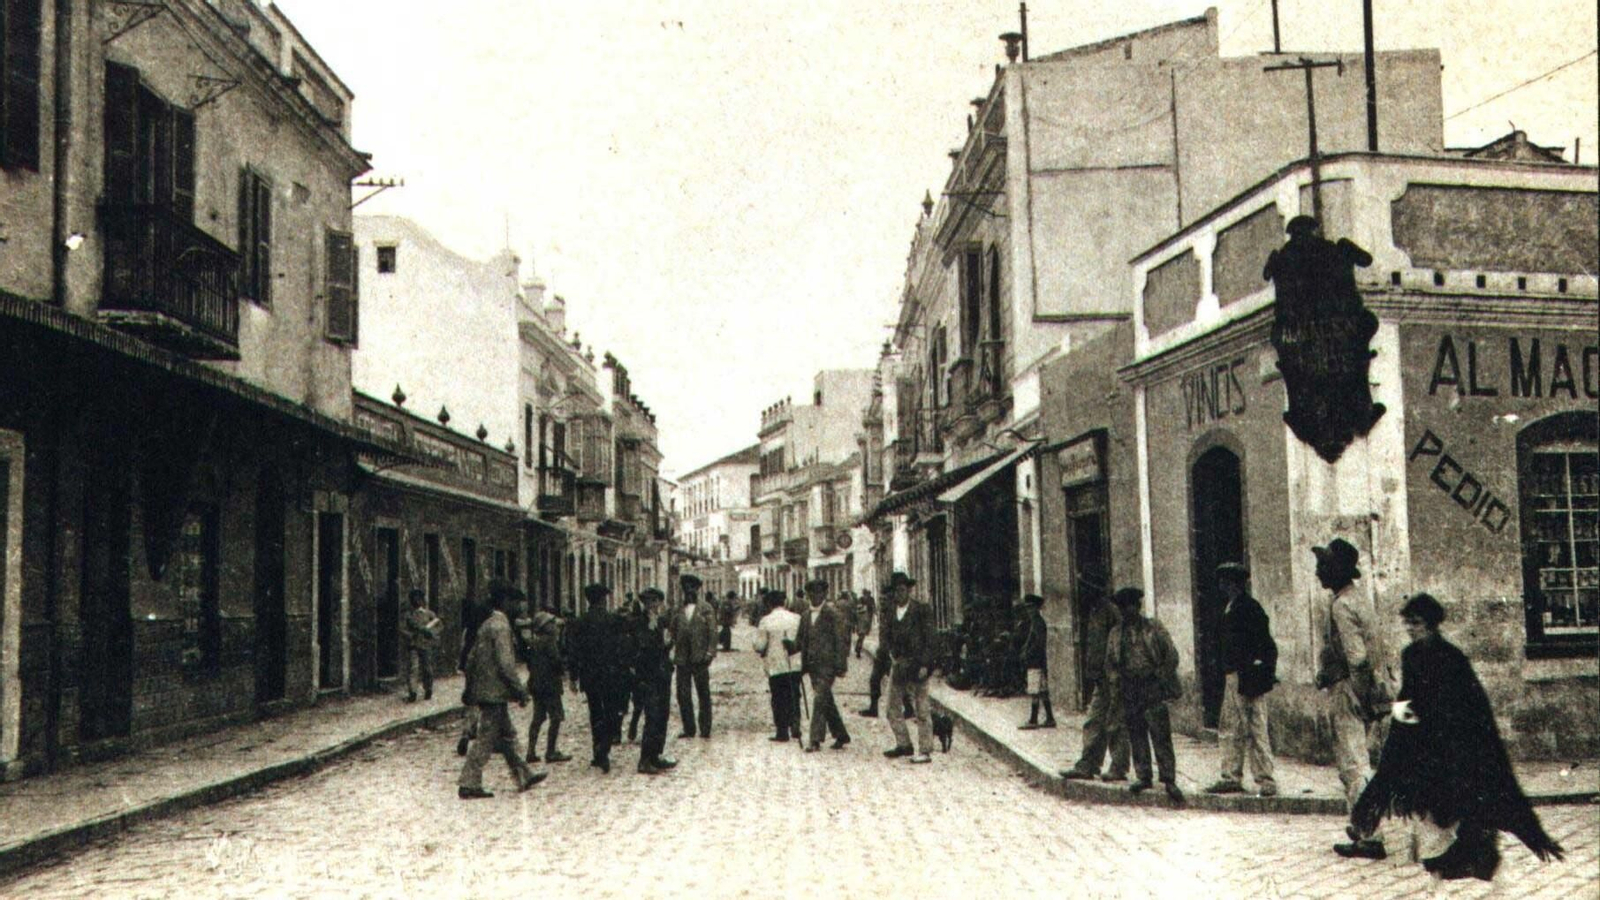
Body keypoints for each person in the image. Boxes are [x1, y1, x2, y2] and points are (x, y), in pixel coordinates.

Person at [1352, 594, 1564, 883]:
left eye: (1416, 623)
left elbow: (1470, 708)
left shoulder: (1451, 658)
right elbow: (1409, 698)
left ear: (1431, 625)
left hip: (1455, 750)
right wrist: (1400, 725)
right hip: (1427, 750)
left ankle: (1480, 868)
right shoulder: (1411, 655)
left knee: (1453, 816)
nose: (1411, 629)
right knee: (1430, 816)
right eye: (1408, 623)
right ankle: (1443, 874)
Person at [1314, 538, 1391, 860]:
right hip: (1366, 686)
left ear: (1336, 571)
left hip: (1350, 688)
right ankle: (1362, 826)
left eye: (1323, 565)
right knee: (1359, 759)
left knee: (1353, 764)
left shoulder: (1341, 606)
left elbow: (1356, 658)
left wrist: (1355, 693)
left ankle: (1370, 835)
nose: (1318, 571)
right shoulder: (1359, 598)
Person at [457, 584, 546, 799]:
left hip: (488, 690)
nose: (520, 607)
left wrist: (471, 687)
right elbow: (506, 664)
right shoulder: (501, 626)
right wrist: (520, 690)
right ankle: (468, 783)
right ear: (505, 601)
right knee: (486, 738)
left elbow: (470, 660)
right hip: (494, 692)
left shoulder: (488, 623)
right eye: (516, 603)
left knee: (507, 737)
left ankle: (524, 774)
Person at [1204, 562, 1279, 798]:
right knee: (1232, 727)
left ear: (1234, 584)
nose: (1221, 585)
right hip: (1234, 675)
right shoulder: (1231, 607)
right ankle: (1232, 776)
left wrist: (1260, 671)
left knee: (1255, 728)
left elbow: (1266, 645)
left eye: (1225, 581)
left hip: (1248, 677)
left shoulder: (1249, 608)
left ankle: (1265, 779)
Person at [1106, 587, 1183, 802]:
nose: (1125, 612)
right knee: (1136, 732)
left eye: (1128, 607)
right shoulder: (1115, 634)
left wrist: (1160, 676)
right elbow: (1110, 663)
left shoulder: (1153, 628)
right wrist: (1116, 682)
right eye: (1121, 608)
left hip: (1152, 686)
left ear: (1137, 607)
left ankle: (1168, 779)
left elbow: (1172, 656)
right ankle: (1143, 776)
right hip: (1129, 688)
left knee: (1160, 733)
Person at [1060, 568, 1130, 782]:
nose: (1082, 591)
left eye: (1085, 588)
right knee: (1095, 721)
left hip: (1114, 677)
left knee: (1116, 723)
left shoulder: (1110, 611)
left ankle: (1118, 767)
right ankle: (1088, 764)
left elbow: (1120, 645)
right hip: (1102, 678)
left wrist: (1115, 673)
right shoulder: (1095, 611)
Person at [569, 583, 625, 773]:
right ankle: (604, 749)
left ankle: (597, 751)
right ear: (602, 599)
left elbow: (574, 652)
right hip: (610, 674)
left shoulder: (580, 622)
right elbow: (621, 647)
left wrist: (573, 676)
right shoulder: (613, 620)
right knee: (611, 712)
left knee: (595, 713)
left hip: (590, 675)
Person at [880, 571, 935, 764]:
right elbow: (885, 637)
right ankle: (904, 744)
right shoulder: (889, 612)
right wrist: (889, 656)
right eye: (896, 591)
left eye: (902, 590)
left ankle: (925, 750)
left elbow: (930, 639)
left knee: (922, 709)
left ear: (909, 590)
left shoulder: (921, 610)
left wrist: (926, 664)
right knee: (891, 707)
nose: (899, 594)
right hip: (899, 665)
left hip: (918, 664)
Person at [796, 578, 851, 751]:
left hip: (828, 666)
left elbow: (841, 641)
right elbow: (801, 640)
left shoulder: (833, 614)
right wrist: (790, 647)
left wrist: (841, 665)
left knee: (819, 699)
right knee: (826, 700)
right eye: (811, 593)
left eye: (818, 592)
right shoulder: (805, 616)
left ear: (825, 594)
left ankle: (815, 739)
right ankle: (841, 735)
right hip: (812, 666)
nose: (814, 596)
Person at [633, 588, 679, 775]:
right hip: (647, 676)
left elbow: (662, 647)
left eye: (656, 601)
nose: (653, 605)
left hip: (662, 675)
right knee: (652, 716)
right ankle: (644, 760)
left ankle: (655, 755)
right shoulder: (639, 622)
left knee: (662, 715)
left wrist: (668, 644)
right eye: (649, 602)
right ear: (644, 604)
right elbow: (641, 648)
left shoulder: (660, 622)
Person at [753, 590, 803, 742]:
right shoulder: (797, 618)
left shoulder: (766, 621)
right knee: (794, 694)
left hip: (776, 665)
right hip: (794, 663)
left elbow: (760, 646)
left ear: (769, 604)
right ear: (784, 602)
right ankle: (795, 724)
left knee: (778, 697)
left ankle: (782, 731)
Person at [672, 573, 717, 738]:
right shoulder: (678, 609)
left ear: (697, 589)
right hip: (682, 658)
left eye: (692, 588)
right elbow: (672, 630)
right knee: (683, 694)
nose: (689, 591)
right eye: (686, 588)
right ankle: (689, 728)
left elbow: (713, 632)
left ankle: (705, 728)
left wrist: (710, 652)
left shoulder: (706, 608)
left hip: (700, 658)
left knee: (703, 693)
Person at [524, 610, 571, 765]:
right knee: (556, 717)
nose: (555, 626)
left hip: (537, 685)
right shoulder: (550, 642)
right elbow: (556, 662)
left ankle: (531, 751)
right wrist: (563, 668)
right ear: (545, 626)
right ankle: (551, 751)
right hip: (550, 685)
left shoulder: (533, 643)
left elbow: (529, 664)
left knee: (537, 718)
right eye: (551, 623)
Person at [455, 591, 493, 757]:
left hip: (469, 667)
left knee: (472, 702)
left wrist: (462, 665)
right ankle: (487, 737)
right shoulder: (487, 631)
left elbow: (463, 647)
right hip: (484, 667)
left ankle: (467, 731)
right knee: (487, 703)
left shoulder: (469, 631)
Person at [1017, 594, 1055, 730]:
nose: (1028, 611)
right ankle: (1050, 718)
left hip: (1035, 661)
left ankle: (1033, 720)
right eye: (1027, 608)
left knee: (1034, 691)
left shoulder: (1038, 623)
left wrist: (1027, 653)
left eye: (1031, 608)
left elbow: (1038, 643)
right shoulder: (1035, 622)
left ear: (1036, 608)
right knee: (1043, 690)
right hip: (1039, 661)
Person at [858, 590, 894, 717]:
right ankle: (873, 709)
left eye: (884, 600)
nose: (881, 602)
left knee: (898, 683)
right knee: (874, 680)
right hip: (882, 654)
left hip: (891, 655)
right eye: (880, 600)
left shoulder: (893, 616)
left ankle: (909, 707)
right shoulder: (883, 614)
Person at [400, 589, 440, 703]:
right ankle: (412, 692)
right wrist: (410, 635)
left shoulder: (430, 614)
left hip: (426, 645)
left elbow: (438, 626)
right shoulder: (408, 615)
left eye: (419, 598)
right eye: (414, 599)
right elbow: (402, 629)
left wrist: (431, 633)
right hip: (413, 645)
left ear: (422, 600)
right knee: (413, 668)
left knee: (427, 669)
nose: (416, 601)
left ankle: (428, 689)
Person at [854, 590, 875, 659]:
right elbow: (867, 621)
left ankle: (857, 648)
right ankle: (858, 649)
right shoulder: (865, 614)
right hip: (863, 625)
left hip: (860, 626)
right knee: (861, 638)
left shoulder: (858, 613)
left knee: (861, 637)